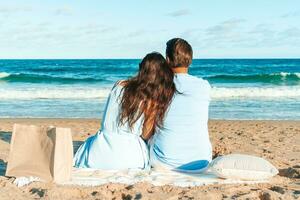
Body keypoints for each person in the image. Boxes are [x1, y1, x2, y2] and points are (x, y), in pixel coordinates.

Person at [74, 52, 176, 170]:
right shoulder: (151, 101)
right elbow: (145, 134)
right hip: (130, 158)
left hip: (98, 153)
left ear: (140, 68)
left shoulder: (119, 85)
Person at [149, 38, 212, 172]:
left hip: (165, 163)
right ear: (190, 60)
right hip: (201, 162)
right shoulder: (204, 86)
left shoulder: (159, 87)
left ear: (167, 59)